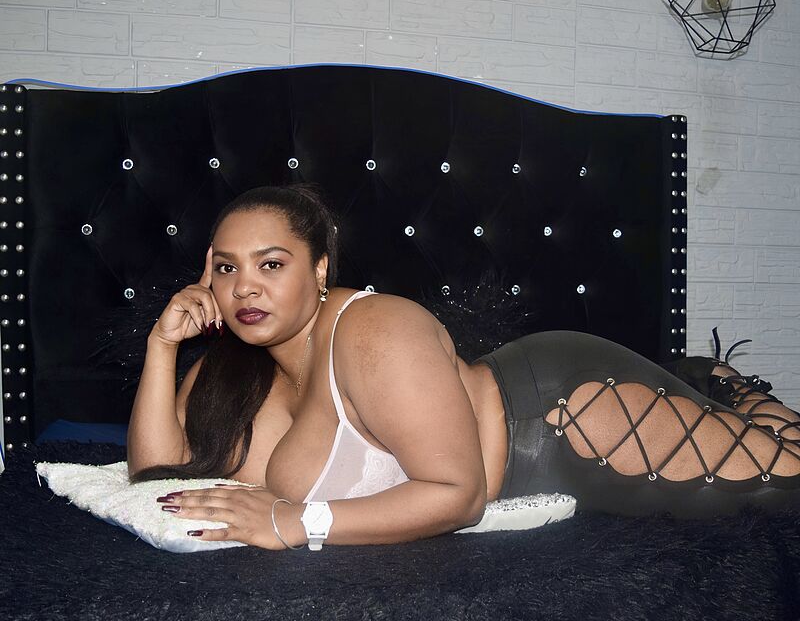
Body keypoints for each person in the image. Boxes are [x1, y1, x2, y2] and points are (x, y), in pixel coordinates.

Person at [127, 184, 800, 551]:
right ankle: (696, 380)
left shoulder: (372, 331)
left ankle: (721, 380)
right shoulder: (231, 373)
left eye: (271, 264)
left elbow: (459, 493)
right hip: (539, 416)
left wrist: (295, 521)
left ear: (320, 268)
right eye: (226, 268)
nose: (244, 287)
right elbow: (153, 470)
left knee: (788, 477)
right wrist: (162, 345)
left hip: (555, 417)